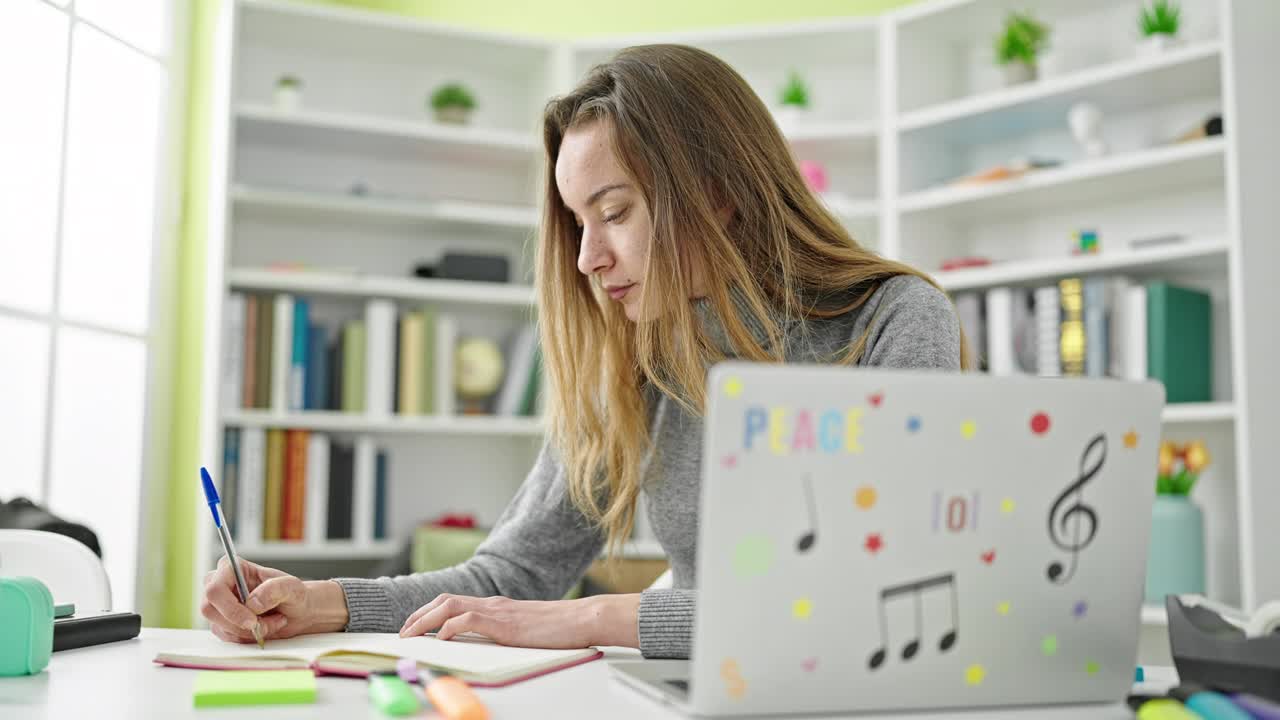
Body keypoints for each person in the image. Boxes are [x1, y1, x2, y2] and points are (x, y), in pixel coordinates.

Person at [201, 44, 969, 660]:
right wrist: (319, 601)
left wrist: (598, 618)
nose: (586, 260)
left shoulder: (895, 321)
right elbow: (512, 574)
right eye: (578, 223)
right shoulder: (640, 358)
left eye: (615, 213)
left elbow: (873, 600)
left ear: (720, 192)